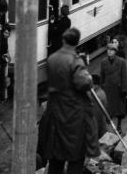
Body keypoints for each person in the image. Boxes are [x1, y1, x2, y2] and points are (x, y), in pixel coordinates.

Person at [38, 28, 95, 174]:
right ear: (76, 42)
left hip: (55, 113)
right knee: (76, 158)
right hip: (72, 116)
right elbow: (83, 83)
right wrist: (89, 78)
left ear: (63, 40)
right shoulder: (74, 60)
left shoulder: (52, 58)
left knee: (56, 158)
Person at [98, 40, 127, 130]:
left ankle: (119, 126)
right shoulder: (103, 62)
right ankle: (110, 126)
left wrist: (125, 89)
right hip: (108, 89)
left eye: (111, 50)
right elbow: (102, 76)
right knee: (109, 109)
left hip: (118, 88)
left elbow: (124, 76)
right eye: (108, 49)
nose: (109, 51)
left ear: (115, 52)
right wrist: (101, 88)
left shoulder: (121, 62)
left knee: (119, 109)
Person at [86, 74, 108, 159]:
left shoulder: (96, 96)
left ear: (94, 84)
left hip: (98, 128)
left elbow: (95, 115)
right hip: (102, 125)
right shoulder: (101, 92)